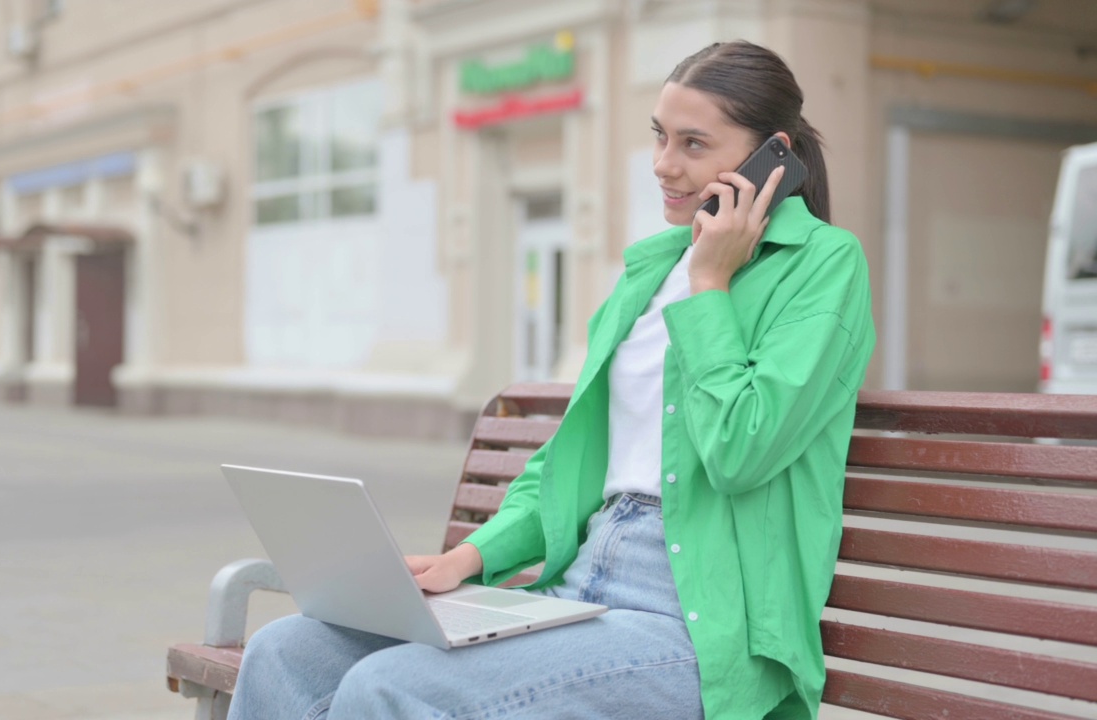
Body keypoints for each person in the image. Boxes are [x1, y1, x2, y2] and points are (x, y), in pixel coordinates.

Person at [227, 39, 876, 720]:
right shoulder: (650, 272)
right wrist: (470, 559)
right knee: (286, 652)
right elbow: (572, 464)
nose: (663, 164)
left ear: (768, 155)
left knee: (387, 687)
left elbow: (742, 451)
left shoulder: (823, 265)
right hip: (584, 586)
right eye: (659, 136)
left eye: (693, 144)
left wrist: (710, 286)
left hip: (702, 628)